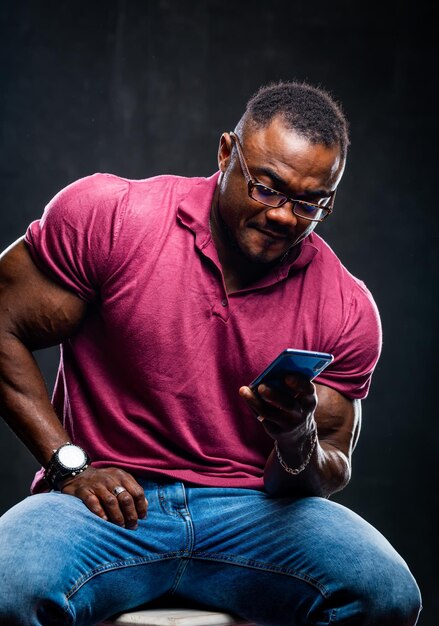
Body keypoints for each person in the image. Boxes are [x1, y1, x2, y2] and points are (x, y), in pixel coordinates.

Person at [0, 81, 421, 626]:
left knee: (387, 593)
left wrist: (296, 435)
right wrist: (67, 464)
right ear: (226, 153)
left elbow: (328, 468)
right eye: (267, 188)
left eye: (309, 203)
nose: (284, 217)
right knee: (7, 585)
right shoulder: (114, 216)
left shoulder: (344, 305)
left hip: (255, 515)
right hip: (108, 505)